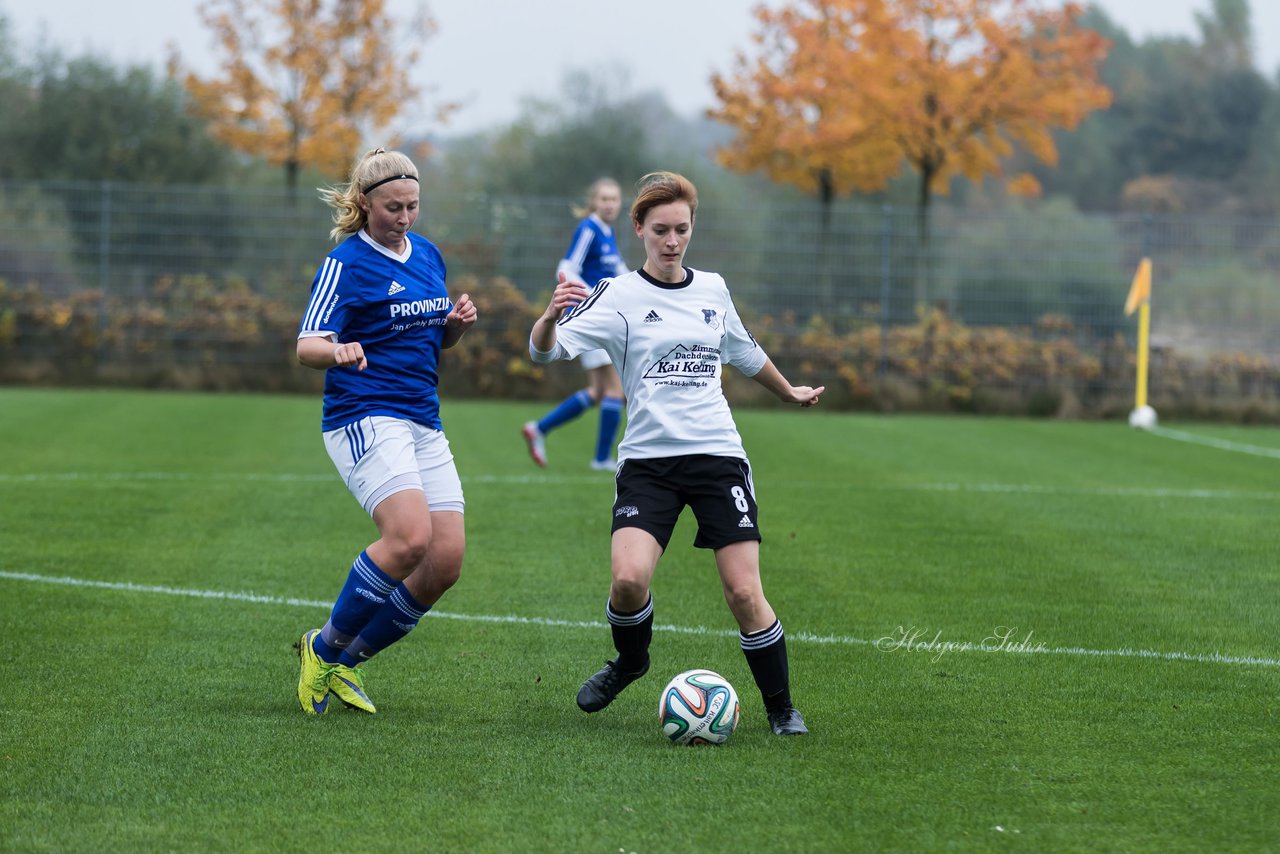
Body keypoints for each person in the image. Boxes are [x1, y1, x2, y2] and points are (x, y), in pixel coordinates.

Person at [528, 171, 824, 736]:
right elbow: (549, 352)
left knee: (743, 591)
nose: (672, 241)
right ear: (638, 228)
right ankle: (631, 661)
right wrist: (546, 320)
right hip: (648, 464)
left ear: (692, 229)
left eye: (682, 230)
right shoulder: (617, 295)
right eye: (660, 229)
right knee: (628, 582)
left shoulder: (713, 288)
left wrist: (788, 391)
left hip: (718, 457)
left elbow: (743, 350)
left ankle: (782, 707)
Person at [293, 147, 478, 716]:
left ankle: (346, 664)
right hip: (364, 413)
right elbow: (306, 347)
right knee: (407, 539)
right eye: (393, 207)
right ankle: (321, 652)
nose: (404, 217)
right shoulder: (345, 264)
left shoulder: (428, 255)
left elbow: (432, 341)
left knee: (444, 562)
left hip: (422, 415)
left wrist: (453, 328)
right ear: (366, 204)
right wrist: (338, 349)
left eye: (413, 206)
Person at [522, 177, 628, 471]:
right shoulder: (589, 229)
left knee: (597, 391)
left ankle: (539, 428)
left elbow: (622, 273)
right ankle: (602, 459)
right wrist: (594, 297)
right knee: (615, 391)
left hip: (603, 317)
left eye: (614, 199)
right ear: (593, 201)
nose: (609, 204)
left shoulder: (607, 232)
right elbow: (566, 268)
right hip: (594, 319)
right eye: (604, 198)